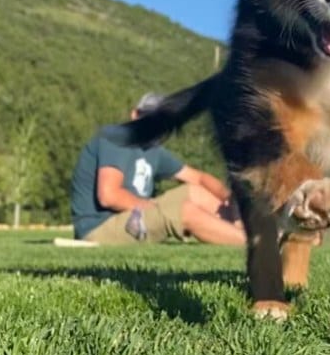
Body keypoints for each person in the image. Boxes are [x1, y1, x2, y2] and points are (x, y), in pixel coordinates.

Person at [69, 92, 245, 246]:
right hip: (99, 229)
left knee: (195, 192)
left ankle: (247, 230)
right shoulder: (116, 139)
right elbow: (109, 196)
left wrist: (232, 198)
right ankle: (253, 245)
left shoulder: (152, 149)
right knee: (183, 211)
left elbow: (197, 178)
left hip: (134, 214)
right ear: (134, 115)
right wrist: (153, 208)